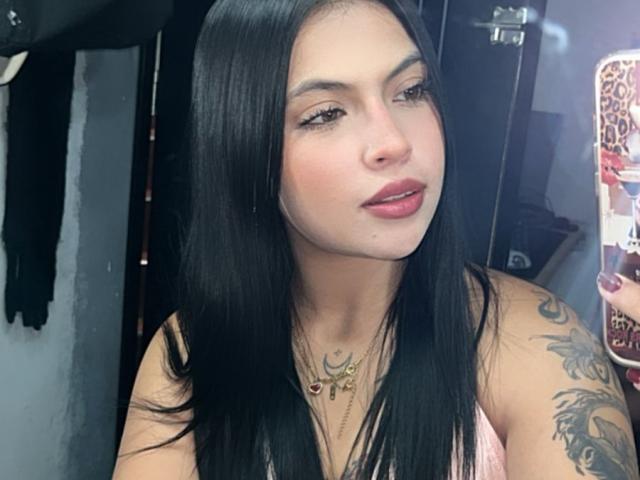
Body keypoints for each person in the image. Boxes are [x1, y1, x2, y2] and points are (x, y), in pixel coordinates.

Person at [112, 1, 639, 479]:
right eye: (325, 114)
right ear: (242, 146)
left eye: (411, 91)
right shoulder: (192, 351)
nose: (394, 141)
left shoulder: (538, 350)